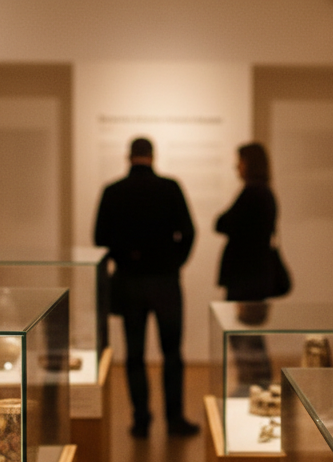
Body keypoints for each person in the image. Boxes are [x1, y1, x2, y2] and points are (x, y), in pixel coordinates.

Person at [94, 137, 199, 438]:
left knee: (135, 354)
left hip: (128, 281)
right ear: (152, 156)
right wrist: (174, 262)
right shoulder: (169, 187)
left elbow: (100, 238)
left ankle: (141, 420)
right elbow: (189, 232)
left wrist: (126, 257)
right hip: (165, 281)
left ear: (129, 156)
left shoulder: (113, 191)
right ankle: (175, 419)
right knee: (172, 353)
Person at [215, 142, 278, 390]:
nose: (236, 167)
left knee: (245, 339)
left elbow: (222, 223)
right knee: (249, 338)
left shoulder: (253, 192)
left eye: (240, 161)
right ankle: (255, 385)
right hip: (254, 276)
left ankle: (254, 386)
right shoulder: (264, 192)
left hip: (246, 278)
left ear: (250, 163)